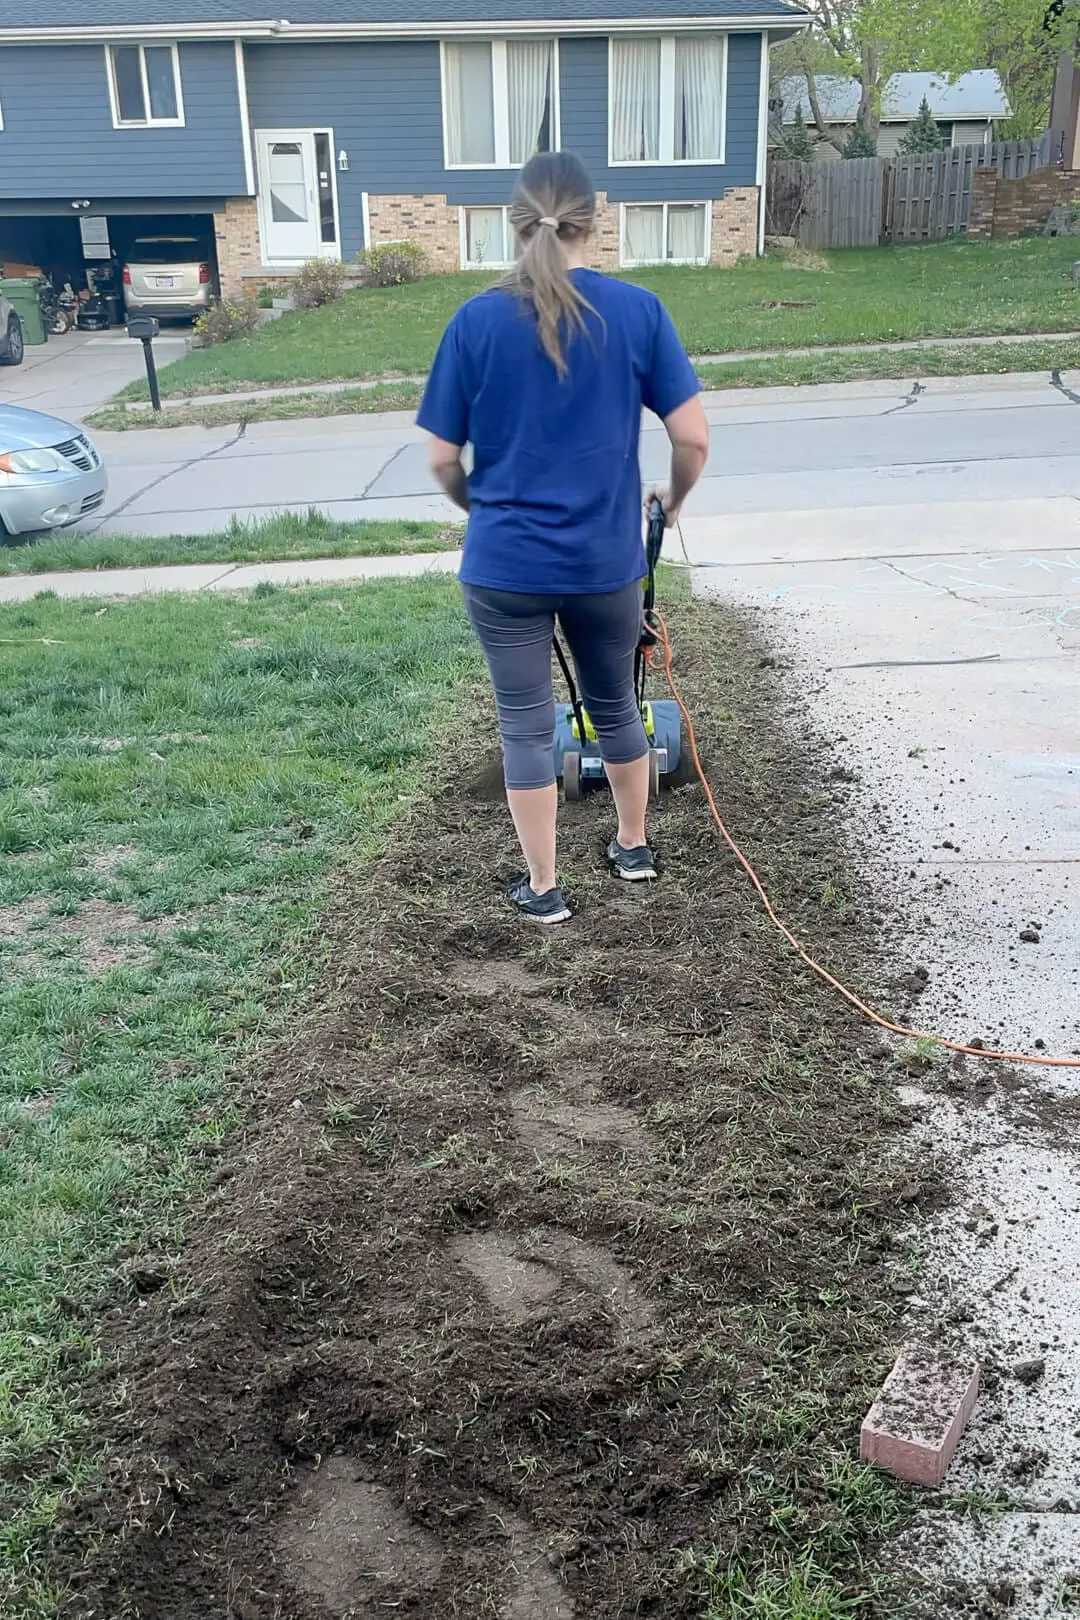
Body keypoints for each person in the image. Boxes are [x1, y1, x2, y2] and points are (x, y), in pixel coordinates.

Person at [417, 150, 709, 924]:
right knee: (615, 704)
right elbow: (693, 439)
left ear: (512, 224)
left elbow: (443, 458)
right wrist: (672, 502)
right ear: (594, 218)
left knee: (524, 722)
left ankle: (543, 889)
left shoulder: (474, 321)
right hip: (603, 562)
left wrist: (479, 508)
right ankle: (634, 847)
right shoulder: (639, 311)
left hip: (504, 566)